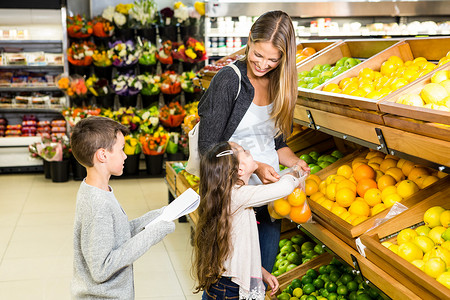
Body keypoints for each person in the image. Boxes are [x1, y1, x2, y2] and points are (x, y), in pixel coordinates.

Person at [197, 10, 310, 273]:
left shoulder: (282, 85)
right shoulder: (229, 81)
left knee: (260, 276)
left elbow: (277, 143)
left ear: (284, 57)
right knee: (226, 278)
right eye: (257, 54)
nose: (262, 64)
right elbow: (208, 148)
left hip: (270, 199)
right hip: (230, 200)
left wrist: (295, 163)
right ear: (249, 39)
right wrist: (256, 166)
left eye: (272, 59)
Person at [70, 116, 175, 299]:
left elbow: (118, 234)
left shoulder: (96, 189)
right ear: (102, 155)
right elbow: (102, 268)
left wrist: (157, 216)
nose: (126, 155)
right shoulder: (98, 204)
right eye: (121, 150)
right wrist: (154, 233)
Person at [192, 141, 302, 299]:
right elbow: (283, 189)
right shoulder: (237, 195)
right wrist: (294, 173)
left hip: (225, 282)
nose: (249, 150)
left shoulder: (228, 194)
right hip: (229, 288)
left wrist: (261, 271)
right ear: (240, 169)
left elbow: (239, 249)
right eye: (244, 151)